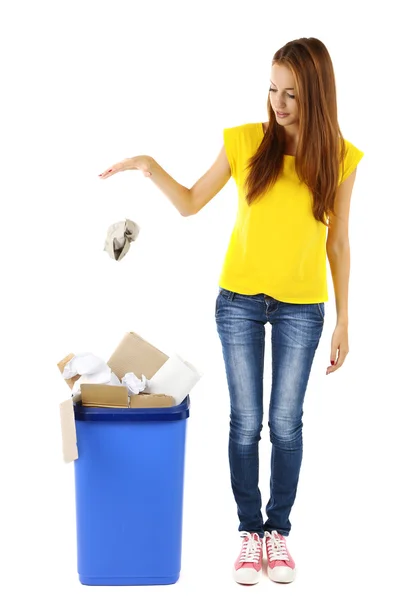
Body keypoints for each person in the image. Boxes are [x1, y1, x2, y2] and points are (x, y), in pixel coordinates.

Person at [98, 36, 364, 586]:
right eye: (272, 88)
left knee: (285, 425)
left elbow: (338, 243)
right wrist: (151, 166)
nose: (278, 102)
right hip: (238, 303)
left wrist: (344, 319)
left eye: (291, 93)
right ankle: (249, 532)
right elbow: (193, 201)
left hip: (303, 308)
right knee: (245, 423)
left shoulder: (339, 157)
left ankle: (278, 534)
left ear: (316, 94)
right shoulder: (246, 142)